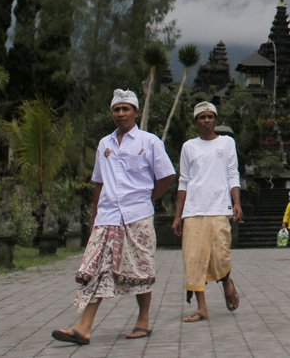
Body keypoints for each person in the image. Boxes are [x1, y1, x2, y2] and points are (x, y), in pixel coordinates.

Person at [51, 89, 176, 346]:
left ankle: (143, 319)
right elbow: (98, 181)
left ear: (135, 112)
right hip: (107, 216)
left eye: (126, 109)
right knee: (97, 269)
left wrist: (148, 198)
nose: (121, 114)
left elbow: (167, 176)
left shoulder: (149, 141)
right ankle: (84, 327)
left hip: (138, 215)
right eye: (117, 110)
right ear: (112, 113)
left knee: (141, 268)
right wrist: (95, 214)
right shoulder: (104, 144)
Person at [172, 101, 242, 322]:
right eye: (201, 117)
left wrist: (237, 202)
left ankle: (226, 282)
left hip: (220, 207)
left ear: (216, 120)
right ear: (196, 122)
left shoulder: (227, 143)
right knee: (194, 259)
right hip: (193, 210)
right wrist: (177, 216)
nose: (206, 121)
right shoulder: (189, 146)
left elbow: (233, 174)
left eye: (210, 117)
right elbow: (183, 181)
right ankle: (202, 308)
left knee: (221, 255)